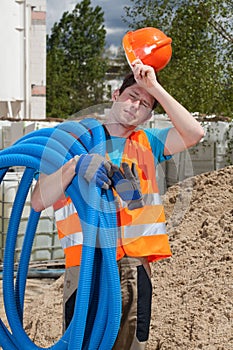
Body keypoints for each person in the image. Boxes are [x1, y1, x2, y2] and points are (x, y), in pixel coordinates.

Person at [31, 59, 204, 349]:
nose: (136, 105)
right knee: (84, 343)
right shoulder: (73, 144)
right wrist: (74, 166)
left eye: (145, 104)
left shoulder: (148, 143)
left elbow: (194, 132)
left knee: (131, 344)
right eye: (132, 96)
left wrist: (154, 87)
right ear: (116, 96)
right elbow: (38, 200)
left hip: (134, 267)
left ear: (149, 115)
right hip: (86, 265)